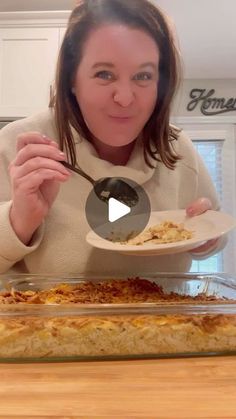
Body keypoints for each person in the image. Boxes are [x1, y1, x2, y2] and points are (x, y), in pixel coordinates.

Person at [0, 0, 223, 275]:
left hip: (165, 317)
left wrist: (206, 236)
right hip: (49, 318)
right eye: (104, 74)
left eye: (143, 75)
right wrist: (18, 221)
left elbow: (214, 230)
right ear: (72, 79)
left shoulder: (177, 148)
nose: (125, 98)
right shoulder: (19, 147)